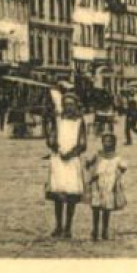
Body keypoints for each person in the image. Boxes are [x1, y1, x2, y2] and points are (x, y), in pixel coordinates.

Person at [45, 90, 88, 238]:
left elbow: (83, 143)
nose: (69, 107)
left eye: (72, 104)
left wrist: (71, 153)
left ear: (76, 106)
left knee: (71, 195)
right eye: (66, 104)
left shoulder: (80, 122)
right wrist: (54, 146)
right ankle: (58, 225)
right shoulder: (58, 121)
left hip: (72, 160)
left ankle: (68, 227)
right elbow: (51, 137)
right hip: (58, 159)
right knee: (58, 195)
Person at [85, 132, 128, 241]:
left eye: (110, 141)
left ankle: (104, 230)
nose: (107, 144)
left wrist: (119, 173)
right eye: (105, 141)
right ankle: (94, 230)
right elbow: (89, 164)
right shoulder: (98, 154)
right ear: (102, 142)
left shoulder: (117, 157)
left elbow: (123, 167)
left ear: (114, 143)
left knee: (106, 209)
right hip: (97, 183)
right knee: (96, 207)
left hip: (109, 184)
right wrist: (89, 165)